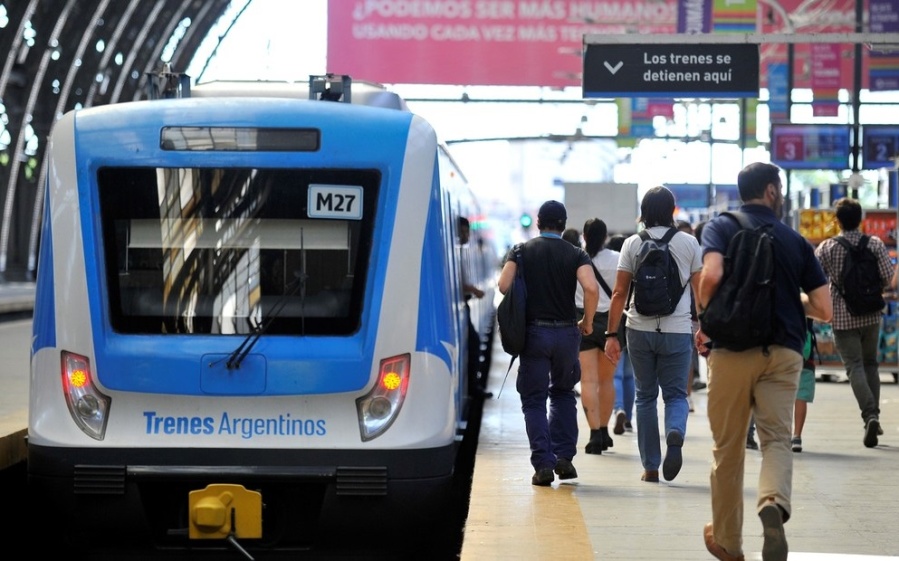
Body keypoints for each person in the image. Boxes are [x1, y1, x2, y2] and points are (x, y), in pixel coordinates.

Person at [696, 162, 832, 561]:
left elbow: (712, 275)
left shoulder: (721, 228)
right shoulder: (795, 240)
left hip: (731, 350)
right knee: (775, 438)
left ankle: (728, 542)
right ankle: (772, 501)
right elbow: (824, 308)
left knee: (728, 448)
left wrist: (707, 317)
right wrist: (791, 300)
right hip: (784, 351)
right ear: (771, 191)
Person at [604, 186, 703, 484]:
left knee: (645, 397)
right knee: (675, 394)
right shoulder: (689, 243)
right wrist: (704, 327)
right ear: (672, 210)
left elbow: (619, 293)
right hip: (677, 329)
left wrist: (611, 334)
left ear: (644, 212)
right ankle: (674, 432)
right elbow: (700, 292)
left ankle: (650, 467)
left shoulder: (632, 244)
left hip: (639, 328)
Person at [497, 200, 599, 487]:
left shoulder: (521, 251)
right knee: (563, 393)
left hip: (534, 334)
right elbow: (591, 288)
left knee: (534, 399)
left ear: (539, 222)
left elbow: (503, 286)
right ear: (564, 225)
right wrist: (588, 321)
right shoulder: (576, 253)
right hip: (566, 333)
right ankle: (564, 458)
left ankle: (543, 464)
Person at [813, 197, 893, 448]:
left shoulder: (827, 248)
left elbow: (814, 280)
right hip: (871, 314)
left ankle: (869, 415)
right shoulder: (875, 244)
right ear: (861, 220)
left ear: (837, 221)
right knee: (871, 364)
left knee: (854, 366)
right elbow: (888, 277)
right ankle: (874, 416)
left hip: (842, 315)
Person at [576, 218, 619, 454]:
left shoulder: (576, 258)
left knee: (588, 381)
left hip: (583, 319)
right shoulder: (616, 259)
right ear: (605, 236)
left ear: (584, 235)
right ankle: (604, 430)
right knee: (606, 381)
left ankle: (593, 435)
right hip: (610, 322)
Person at [458, 217, 490, 399]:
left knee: (474, 343)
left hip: (465, 305)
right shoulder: (455, 254)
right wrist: (475, 290)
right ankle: (473, 387)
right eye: (462, 232)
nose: (465, 236)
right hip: (462, 304)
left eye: (466, 232)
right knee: (474, 343)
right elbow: (460, 283)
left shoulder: (459, 253)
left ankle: (473, 386)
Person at [607, 233, 635, 434]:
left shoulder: (609, 265)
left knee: (616, 374)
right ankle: (629, 419)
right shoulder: (634, 264)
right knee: (629, 376)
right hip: (633, 322)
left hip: (614, 321)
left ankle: (619, 409)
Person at [792, 320, 817, 453]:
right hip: (805, 355)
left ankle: (780, 436)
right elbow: (826, 315)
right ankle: (797, 437)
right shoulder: (808, 305)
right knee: (800, 396)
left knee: (780, 394)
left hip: (782, 350)